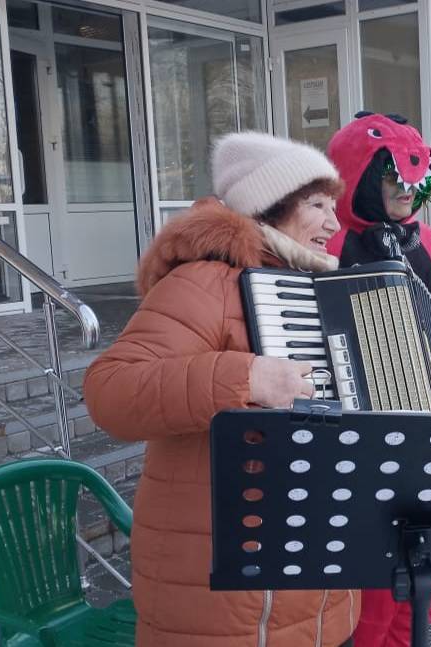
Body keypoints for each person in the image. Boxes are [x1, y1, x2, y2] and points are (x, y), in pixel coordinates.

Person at [83, 132, 358, 646]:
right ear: (271, 207)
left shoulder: (321, 289)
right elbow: (111, 391)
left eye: (333, 206)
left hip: (318, 594)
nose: (333, 222)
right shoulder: (205, 282)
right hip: (225, 601)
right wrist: (245, 377)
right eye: (317, 205)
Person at [324, 112, 431, 647]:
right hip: (356, 435)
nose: (409, 193)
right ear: (360, 177)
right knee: (367, 581)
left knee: (418, 575)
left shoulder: (427, 243)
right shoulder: (328, 244)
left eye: (419, 181)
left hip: (428, 424)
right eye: (394, 179)